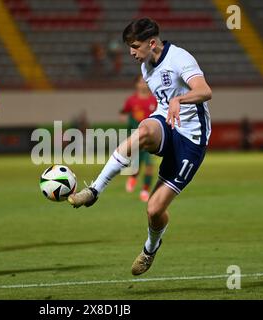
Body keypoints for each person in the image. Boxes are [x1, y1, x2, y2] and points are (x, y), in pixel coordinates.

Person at [68, 18, 212, 276]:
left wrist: (181, 98)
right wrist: (167, 109)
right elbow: (163, 102)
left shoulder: (180, 58)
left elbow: (204, 90)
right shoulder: (146, 67)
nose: (131, 52)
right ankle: (95, 190)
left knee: (155, 210)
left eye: (135, 46)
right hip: (166, 124)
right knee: (142, 131)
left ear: (152, 42)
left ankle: (150, 248)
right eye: (129, 47)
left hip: (191, 138)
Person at [120, 74, 157, 202]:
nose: (143, 84)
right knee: (136, 163)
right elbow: (123, 112)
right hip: (135, 137)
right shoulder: (131, 100)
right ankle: (133, 176)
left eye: (145, 82)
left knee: (149, 164)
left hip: (151, 138)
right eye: (141, 82)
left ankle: (145, 190)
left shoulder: (155, 100)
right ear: (136, 84)